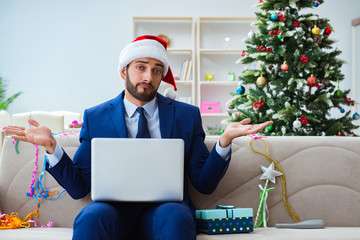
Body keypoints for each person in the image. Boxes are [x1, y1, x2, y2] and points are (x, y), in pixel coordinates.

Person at [3, 35, 273, 240]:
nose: (148, 76)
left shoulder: (186, 115)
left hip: (165, 212)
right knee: (91, 216)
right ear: (124, 72)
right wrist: (52, 147)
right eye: (141, 67)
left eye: (157, 70)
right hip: (113, 211)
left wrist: (224, 141)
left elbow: (204, 183)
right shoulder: (96, 116)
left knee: (176, 215)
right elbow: (79, 188)